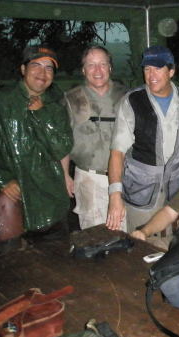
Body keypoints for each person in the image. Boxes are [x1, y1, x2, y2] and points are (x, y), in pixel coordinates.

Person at [106, 45, 179, 234]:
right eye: (147, 69)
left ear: (171, 71)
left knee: (172, 248)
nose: (151, 75)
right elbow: (117, 152)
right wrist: (115, 196)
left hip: (175, 194)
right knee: (140, 248)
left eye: (158, 68)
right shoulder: (132, 102)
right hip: (140, 194)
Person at [0, 45, 73, 236]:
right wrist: (2, 180)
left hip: (52, 203)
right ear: (23, 69)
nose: (42, 73)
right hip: (12, 202)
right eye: (36, 65)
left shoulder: (56, 107)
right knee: (15, 262)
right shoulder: (2, 102)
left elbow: (62, 148)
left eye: (49, 68)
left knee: (58, 261)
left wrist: (42, 115)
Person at [64, 46, 126, 230]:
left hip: (124, 179)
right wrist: (65, 174)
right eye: (91, 65)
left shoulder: (126, 96)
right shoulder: (71, 99)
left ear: (110, 68)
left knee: (126, 236)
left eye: (102, 64)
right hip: (88, 179)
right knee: (94, 237)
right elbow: (63, 140)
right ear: (83, 70)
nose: (97, 70)